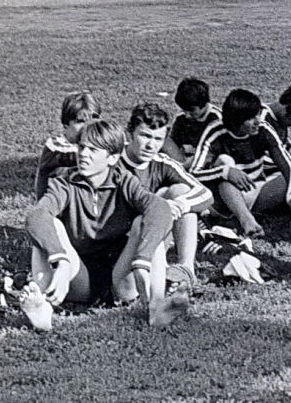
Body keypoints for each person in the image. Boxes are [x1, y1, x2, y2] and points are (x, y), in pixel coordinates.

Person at [21, 120, 186, 330]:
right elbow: (36, 216)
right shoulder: (64, 184)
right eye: (81, 147)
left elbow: (160, 209)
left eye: (93, 150)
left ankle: (156, 306)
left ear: (112, 158)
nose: (83, 154)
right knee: (49, 225)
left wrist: (142, 260)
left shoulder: (125, 181)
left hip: (122, 279)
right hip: (77, 278)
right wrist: (60, 261)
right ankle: (43, 308)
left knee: (143, 221)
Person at [118, 102, 212, 287]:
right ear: (130, 133)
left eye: (158, 139)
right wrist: (159, 207)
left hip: (152, 229)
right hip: (122, 236)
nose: (151, 145)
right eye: (145, 136)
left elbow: (205, 193)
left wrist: (181, 204)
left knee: (181, 191)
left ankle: (186, 270)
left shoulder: (162, 162)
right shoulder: (114, 160)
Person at [189, 88, 291, 238]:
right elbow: (193, 173)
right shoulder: (215, 132)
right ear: (236, 121)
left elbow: (288, 166)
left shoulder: (263, 128)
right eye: (251, 118)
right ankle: (248, 223)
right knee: (225, 162)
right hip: (225, 199)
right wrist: (225, 172)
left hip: (257, 191)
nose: (258, 121)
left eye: (257, 114)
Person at [35, 91, 102, 198]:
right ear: (66, 123)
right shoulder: (56, 147)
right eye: (80, 122)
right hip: (57, 202)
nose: (87, 127)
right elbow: (74, 157)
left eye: (92, 122)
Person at [170, 77, 221, 158]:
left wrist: (192, 150)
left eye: (191, 110)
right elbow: (172, 144)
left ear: (203, 104)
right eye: (184, 110)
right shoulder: (181, 119)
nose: (187, 115)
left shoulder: (217, 119)